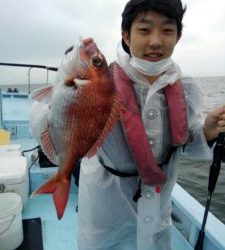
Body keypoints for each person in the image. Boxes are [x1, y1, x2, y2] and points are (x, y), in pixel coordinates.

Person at [76, 0, 225, 250]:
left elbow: (189, 141)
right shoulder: (100, 84)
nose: (156, 41)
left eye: (167, 30)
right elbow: (60, 129)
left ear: (178, 36)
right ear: (126, 34)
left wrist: (207, 132)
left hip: (158, 208)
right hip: (106, 210)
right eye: (144, 30)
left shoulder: (187, 88)